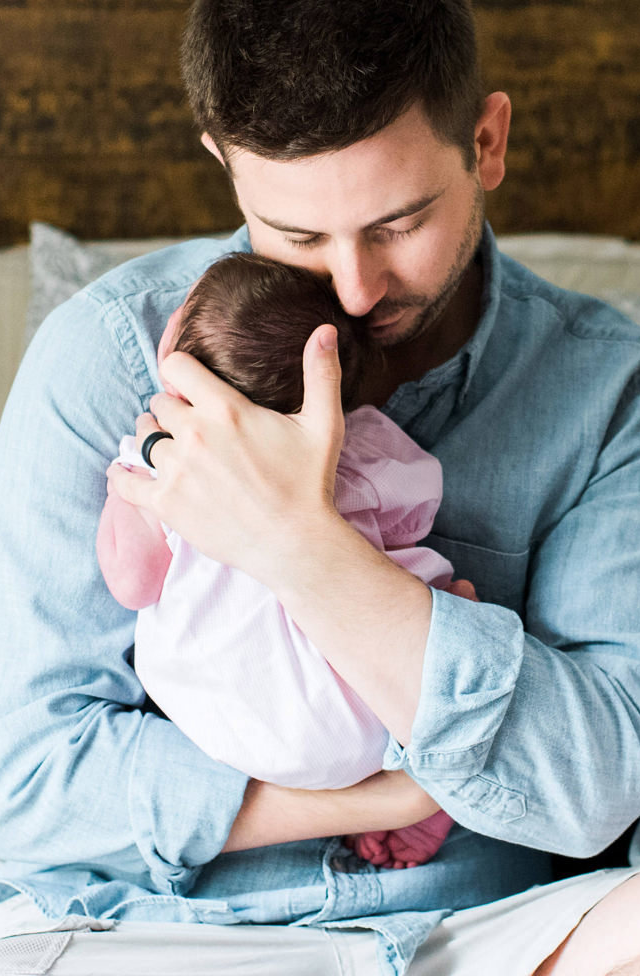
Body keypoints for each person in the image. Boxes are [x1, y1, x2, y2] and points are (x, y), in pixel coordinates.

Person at [0, 0, 640, 976]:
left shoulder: (605, 390)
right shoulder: (106, 357)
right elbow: (27, 775)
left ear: (486, 143)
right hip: (149, 929)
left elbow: (602, 776)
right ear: (225, 169)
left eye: (398, 221)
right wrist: (391, 797)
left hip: (496, 937)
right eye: (300, 238)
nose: (356, 290)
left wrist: (301, 550)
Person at [97, 251, 478, 870]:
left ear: (174, 356)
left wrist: (123, 492)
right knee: (426, 598)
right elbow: (417, 509)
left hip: (209, 715)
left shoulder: (159, 462)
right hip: (361, 723)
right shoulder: (366, 444)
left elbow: (133, 582)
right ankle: (425, 786)